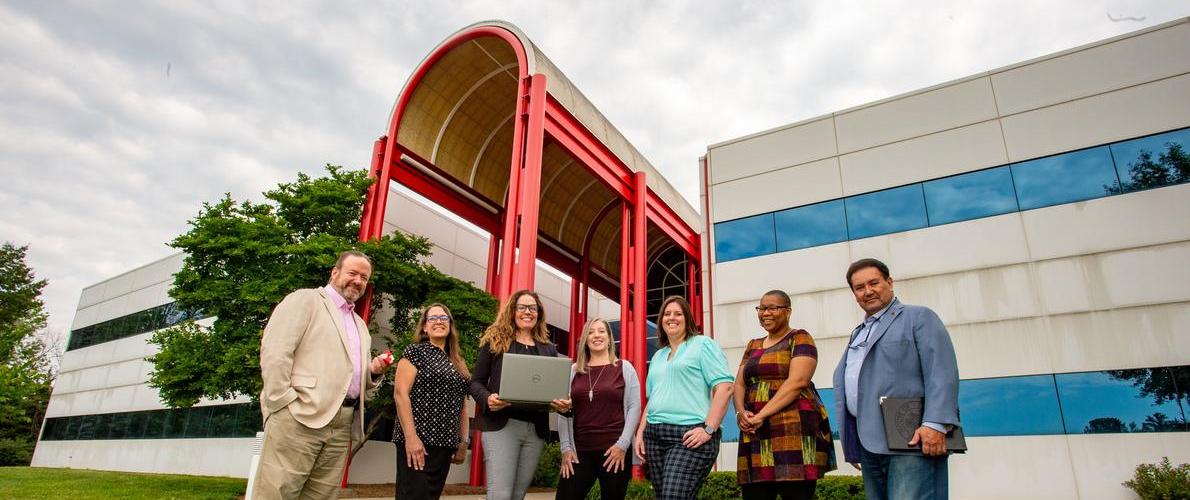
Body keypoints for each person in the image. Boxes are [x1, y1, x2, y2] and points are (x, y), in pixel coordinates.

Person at [253, 250, 393, 499]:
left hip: (342, 424)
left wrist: (372, 371)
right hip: (299, 417)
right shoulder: (305, 300)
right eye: (352, 273)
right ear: (335, 272)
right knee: (278, 492)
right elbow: (275, 352)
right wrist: (282, 404)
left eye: (364, 277)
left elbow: (347, 374)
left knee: (322, 496)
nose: (358, 280)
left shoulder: (359, 324)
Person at [832, 258, 960, 500]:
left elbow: (941, 372)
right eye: (859, 288)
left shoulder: (918, 317)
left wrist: (935, 424)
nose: (867, 291)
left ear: (889, 283)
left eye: (874, 283)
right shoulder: (858, 333)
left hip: (910, 439)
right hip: (869, 445)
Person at [471, 290, 573, 500]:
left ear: (539, 314)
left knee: (517, 496)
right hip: (501, 426)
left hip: (535, 431)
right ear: (512, 311)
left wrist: (563, 404)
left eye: (532, 308)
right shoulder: (495, 341)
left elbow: (552, 388)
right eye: (522, 307)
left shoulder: (548, 349)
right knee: (500, 495)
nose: (528, 312)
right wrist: (487, 399)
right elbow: (475, 382)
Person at [734, 290, 836, 500]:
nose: (765, 313)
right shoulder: (753, 345)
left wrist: (761, 415)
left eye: (772, 307)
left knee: (796, 494)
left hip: (792, 431)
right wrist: (741, 412)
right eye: (761, 308)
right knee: (755, 494)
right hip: (755, 433)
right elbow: (739, 383)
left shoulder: (799, 337)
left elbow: (798, 381)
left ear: (788, 311)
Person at [633, 296, 734, 500]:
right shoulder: (659, 356)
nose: (672, 318)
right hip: (654, 436)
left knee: (673, 496)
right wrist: (641, 432)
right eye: (667, 314)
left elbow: (725, 387)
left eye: (678, 313)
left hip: (689, 436)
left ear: (687, 319)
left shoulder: (702, 344)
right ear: (661, 320)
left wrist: (708, 429)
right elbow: (653, 398)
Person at [556, 318, 642, 500]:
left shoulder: (624, 368)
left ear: (610, 338)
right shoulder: (573, 371)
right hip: (578, 452)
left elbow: (635, 408)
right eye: (591, 332)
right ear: (585, 340)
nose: (596, 335)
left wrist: (623, 445)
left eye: (601, 331)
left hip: (614, 451)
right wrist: (565, 448)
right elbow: (562, 410)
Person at [393, 303, 471, 499]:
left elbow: (463, 406)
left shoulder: (458, 363)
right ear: (425, 327)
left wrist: (463, 441)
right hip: (417, 443)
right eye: (433, 318)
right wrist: (411, 438)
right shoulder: (415, 352)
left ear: (450, 325)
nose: (439, 321)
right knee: (413, 495)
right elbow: (400, 394)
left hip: (445, 446)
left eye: (444, 318)